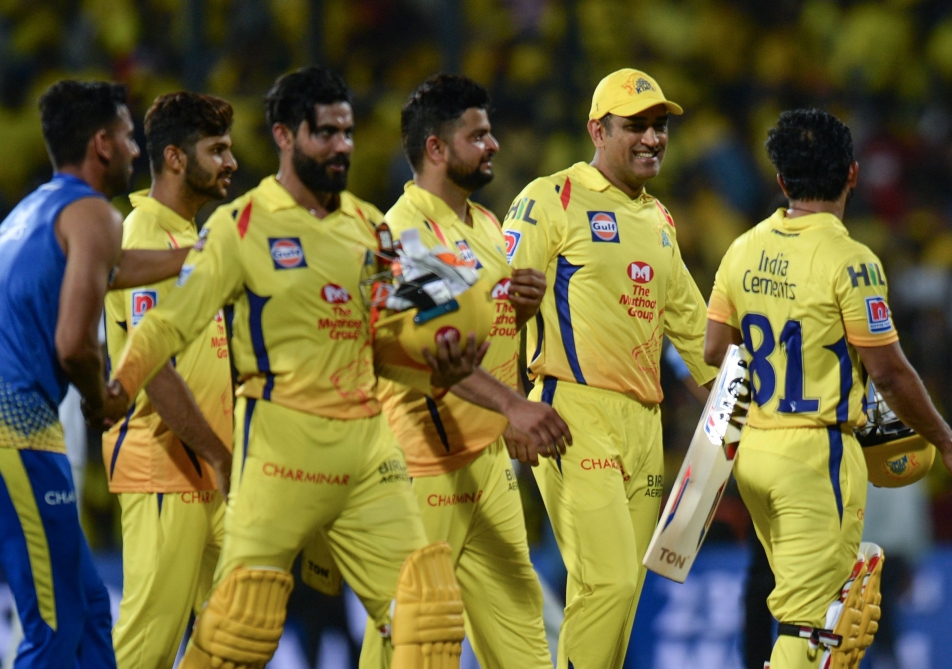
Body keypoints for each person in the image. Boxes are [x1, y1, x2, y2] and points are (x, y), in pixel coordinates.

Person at [102, 66, 483, 669]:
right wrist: (123, 385)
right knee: (219, 632)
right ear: (285, 136)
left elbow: (386, 340)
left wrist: (441, 366)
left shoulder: (368, 226)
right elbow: (165, 333)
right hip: (236, 455)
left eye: (348, 132)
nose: (342, 146)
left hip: (353, 450)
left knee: (428, 617)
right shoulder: (234, 227)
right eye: (325, 133)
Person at [703, 108, 952, 669]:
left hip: (755, 451)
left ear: (782, 181)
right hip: (816, 455)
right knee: (817, 632)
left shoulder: (742, 248)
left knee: (800, 614)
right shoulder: (852, 263)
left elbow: (714, 351)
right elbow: (889, 371)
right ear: (852, 175)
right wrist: (950, 445)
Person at [503, 68, 716, 669]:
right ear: (597, 130)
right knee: (610, 584)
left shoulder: (660, 222)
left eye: (660, 126)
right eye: (636, 127)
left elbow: (697, 338)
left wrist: (744, 420)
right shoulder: (550, 199)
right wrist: (510, 406)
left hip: (645, 427)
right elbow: (501, 310)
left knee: (617, 598)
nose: (652, 139)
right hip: (573, 415)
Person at [365, 73, 569, 668]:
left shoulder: (481, 224)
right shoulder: (401, 235)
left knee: (524, 635)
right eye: (478, 135)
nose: (494, 145)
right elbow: (434, 350)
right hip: (420, 468)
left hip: (484, 463)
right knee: (409, 639)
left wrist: (518, 306)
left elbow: (483, 332)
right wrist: (513, 406)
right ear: (436, 148)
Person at [0, 79, 190, 669]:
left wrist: (197, 255)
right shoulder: (95, 215)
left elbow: (111, 269)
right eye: (131, 136)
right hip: (20, 428)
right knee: (54, 627)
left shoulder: (32, 211)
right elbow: (73, 344)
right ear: (103, 144)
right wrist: (102, 397)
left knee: (87, 610)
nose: (139, 150)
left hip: (15, 429)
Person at [102, 91, 239, 669]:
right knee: (147, 647)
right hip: (163, 465)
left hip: (211, 466)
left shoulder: (191, 241)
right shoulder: (143, 235)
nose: (231, 161)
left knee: (236, 634)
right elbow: (152, 371)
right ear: (177, 158)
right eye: (218, 149)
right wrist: (217, 453)